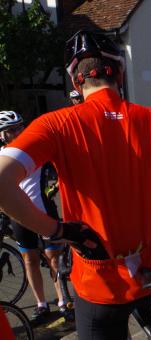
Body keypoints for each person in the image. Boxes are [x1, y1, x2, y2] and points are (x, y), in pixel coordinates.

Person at [0, 30, 151, 338]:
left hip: (98, 281)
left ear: (76, 82)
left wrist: (56, 230)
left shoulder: (56, 124)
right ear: (120, 75)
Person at [0, 111, 71, 323]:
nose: (17, 132)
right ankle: (41, 305)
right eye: (11, 130)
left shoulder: (35, 149)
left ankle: (62, 301)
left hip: (44, 211)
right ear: (2, 135)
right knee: (29, 259)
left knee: (54, 260)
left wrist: (56, 188)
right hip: (18, 216)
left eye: (20, 127)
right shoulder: (2, 155)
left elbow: (63, 167)